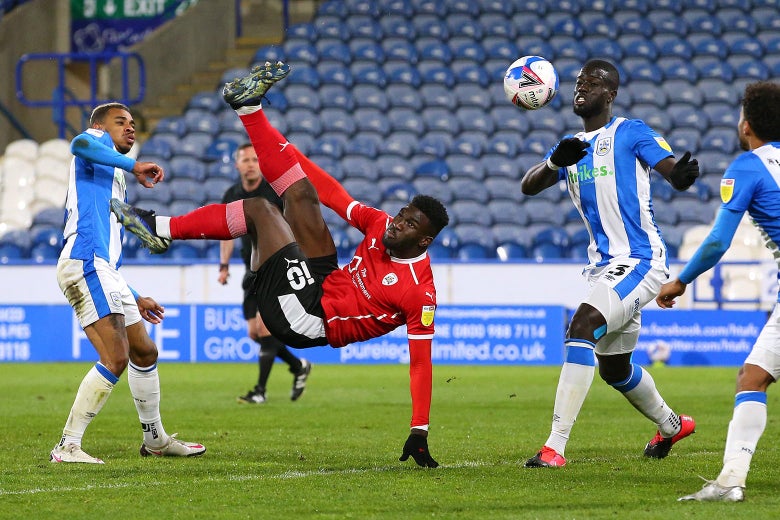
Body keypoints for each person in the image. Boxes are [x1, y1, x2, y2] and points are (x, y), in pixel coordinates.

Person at [111, 61, 449, 468]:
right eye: (401, 214)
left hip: (311, 316)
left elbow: (421, 361)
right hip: (323, 279)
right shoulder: (380, 225)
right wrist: (285, 150)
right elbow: (331, 192)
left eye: (409, 224)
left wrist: (420, 429)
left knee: (260, 209)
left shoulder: (419, 291)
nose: (396, 223)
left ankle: (160, 228)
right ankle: (248, 109)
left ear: (424, 239)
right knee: (302, 193)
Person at [520, 59, 701, 468]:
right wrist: (553, 162)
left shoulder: (629, 131)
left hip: (640, 259)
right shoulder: (570, 146)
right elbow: (527, 186)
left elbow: (670, 168)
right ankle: (673, 425)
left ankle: (554, 447)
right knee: (615, 369)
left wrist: (681, 175)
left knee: (581, 325)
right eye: (579, 81)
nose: (582, 86)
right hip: (605, 267)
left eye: (594, 81)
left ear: (611, 94)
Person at [51, 102, 205, 463]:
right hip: (84, 261)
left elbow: (110, 251)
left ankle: (155, 440)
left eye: (133, 123)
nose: (130, 128)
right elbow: (78, 145)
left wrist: (135, 296)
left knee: (144, 352)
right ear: (101, 128)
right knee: (115, 356)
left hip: (104, 268)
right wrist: (134, 165)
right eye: (121, 122)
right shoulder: (93, 149)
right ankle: (67, 445)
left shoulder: (114, 178)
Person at [656, 81, 780, 502]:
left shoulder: (747, 166)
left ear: (746, 125)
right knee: (753, 376)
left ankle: (730, 483)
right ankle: (730, 480)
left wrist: (680, 281)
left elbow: (715, 242)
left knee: (752, 379)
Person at [219, 142, 311, 404]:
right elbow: (226, 233)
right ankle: (298, 366)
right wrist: (223, 266)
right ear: (237, 165)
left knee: (264, 327)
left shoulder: (272, 192)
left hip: (276, 267)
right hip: (251, 270)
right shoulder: (232, 194)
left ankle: (260, 391)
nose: (250, 165)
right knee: (255, 333)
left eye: (254, 160)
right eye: (245, 160)